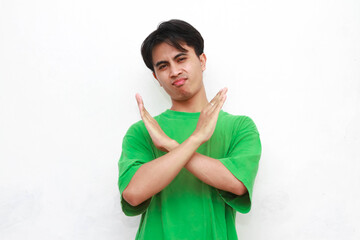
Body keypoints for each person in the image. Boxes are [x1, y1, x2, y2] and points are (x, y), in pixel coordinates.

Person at [118, 19, 262, 240]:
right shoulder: (143, 131)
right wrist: (196, 139)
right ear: (156, 77)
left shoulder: (239, 127)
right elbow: (133, 194)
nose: (174, 71)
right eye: (163, 66)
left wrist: (171, 146)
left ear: (202, 60)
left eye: (181, 58)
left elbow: (237, 184)